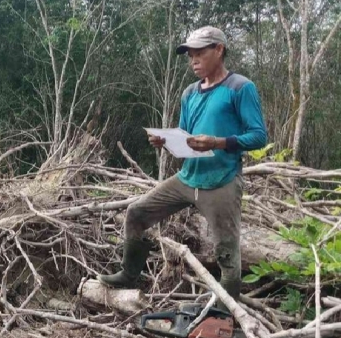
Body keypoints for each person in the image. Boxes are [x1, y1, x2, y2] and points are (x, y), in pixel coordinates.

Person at [98, 26, 267, 307]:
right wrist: (165, 141)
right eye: (190, 55)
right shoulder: (190, 93)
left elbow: (259, 136)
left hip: (221, 181)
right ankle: (129, 275)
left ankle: (226, 315)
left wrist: (218, 142)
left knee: (226, 251)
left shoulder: (240, 88)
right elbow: (186, 136)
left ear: (219, 50)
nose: (194, 61)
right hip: (188, 178)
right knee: (137, 213)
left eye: (200, 53)